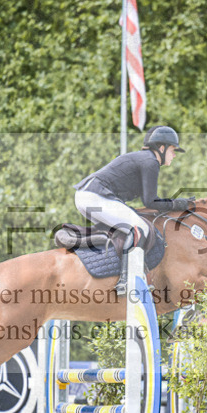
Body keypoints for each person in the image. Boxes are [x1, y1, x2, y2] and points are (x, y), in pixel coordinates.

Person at [73, 125, 191, 295]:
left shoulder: (145, 159)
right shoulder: (150, 162)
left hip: (89, 196)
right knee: (139, 228)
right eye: (173, 150)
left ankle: (116, 271)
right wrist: (177, 204)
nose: (174, 155)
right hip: (94, 196)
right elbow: (150, 201)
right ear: (162, 148)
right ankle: (126, 279)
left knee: (129, 224)